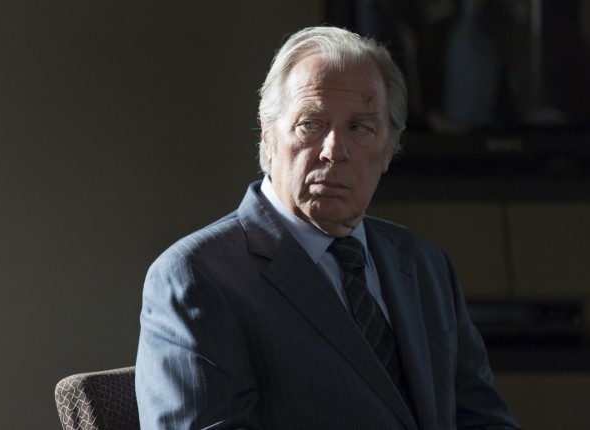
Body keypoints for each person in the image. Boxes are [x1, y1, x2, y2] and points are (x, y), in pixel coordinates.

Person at [135, 26, 520, 429]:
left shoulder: (425, 264)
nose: (334, 151)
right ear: (268, 136)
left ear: (389, 151)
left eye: (360, 128)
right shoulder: (195, 278)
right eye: (311, 123)